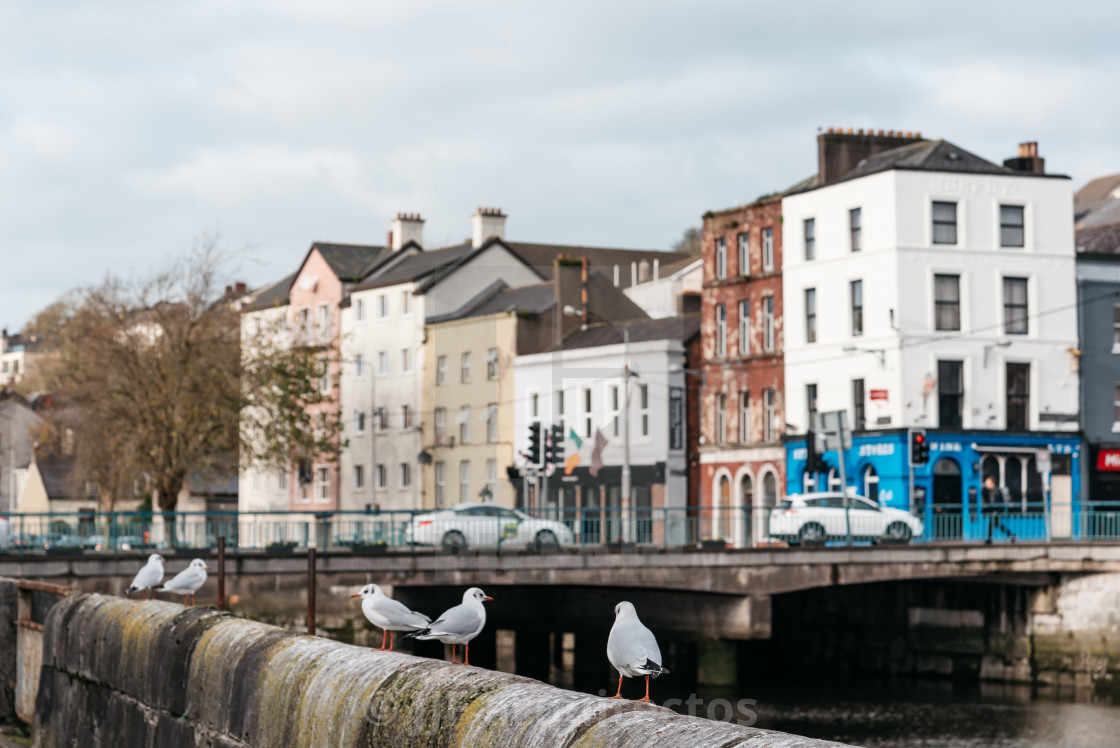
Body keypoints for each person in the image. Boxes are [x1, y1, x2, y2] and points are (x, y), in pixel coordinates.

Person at [982, 476, 1016, 544]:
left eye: (987, 482)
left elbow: (996, 502)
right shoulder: (990, 491)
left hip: (996, 511)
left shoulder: (995, 491)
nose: (986, 484)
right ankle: (1011, 535)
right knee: (998, 525)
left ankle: (989, 539)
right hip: (995, 511)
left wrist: (995, 510)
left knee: (991, 525)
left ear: (992, 483)